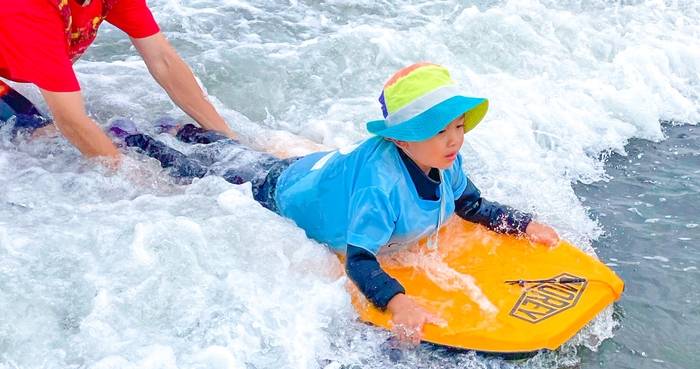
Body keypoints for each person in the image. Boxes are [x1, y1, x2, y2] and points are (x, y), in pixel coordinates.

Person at [111, 62, 560, 345]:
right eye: (439, 130)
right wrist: (397, 303)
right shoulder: (379, 188)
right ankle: (141, 140)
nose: (454, 140)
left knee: (240, 153)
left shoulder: (446, 159)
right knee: (211, 170)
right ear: (401, 139)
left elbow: (470, 203)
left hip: (319, 173)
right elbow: (360, 260)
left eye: (458, 126)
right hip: (282, 189)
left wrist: (520, 224)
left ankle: (187, 130)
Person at [0, 0, 235, 167]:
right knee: (31, 137)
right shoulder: (28, 8)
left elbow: (164, 62)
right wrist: (134, 178)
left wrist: (228, 138)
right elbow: (70, 120)